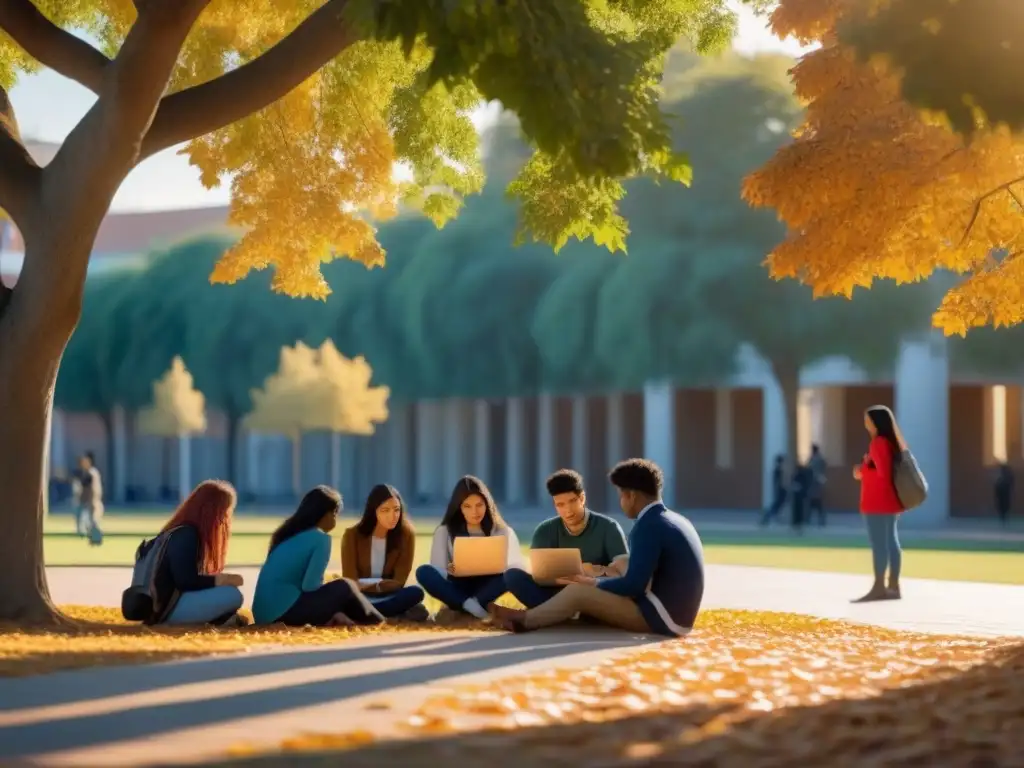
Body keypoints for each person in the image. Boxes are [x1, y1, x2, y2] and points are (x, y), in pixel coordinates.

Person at [490, 459, 705, 636]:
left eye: (621, 495)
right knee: (576, 587)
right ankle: (549, 613)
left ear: (631, 496)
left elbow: (634, 586)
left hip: (662, 619)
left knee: (579, 591)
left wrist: (594, 582)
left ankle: (525, 620)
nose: (621, 502)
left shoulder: (646, 526)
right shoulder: (674, 519)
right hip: (679, 618)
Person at [253, 485, 384, 627]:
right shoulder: (320, 538)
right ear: (328, 514)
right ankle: (376, 619)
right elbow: (310, 586)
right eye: (336, 515)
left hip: (263, 616)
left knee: (340, 589)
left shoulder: (288, 535)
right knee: (346, 585)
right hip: (286, 614)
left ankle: (344, 616)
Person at [504, 469, 628, 609]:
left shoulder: (609, 527)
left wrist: (590, 572)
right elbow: (538, 574)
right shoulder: (544, 530)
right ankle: (562, 612)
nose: (568, 511)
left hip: (592, 593)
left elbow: (624, 574)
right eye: (560, 505)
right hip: (554, 593)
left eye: (572, 501)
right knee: (512, 576)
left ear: (582, 498)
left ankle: (554, 613)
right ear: (554, 505)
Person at [415, 475, 524, 620]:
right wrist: (450, 568)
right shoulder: (445, 531)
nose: (475, 512)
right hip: (458, 586)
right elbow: (438, 568)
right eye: (467, 506)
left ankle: (471, 604)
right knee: (423, 572)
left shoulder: (502, 530)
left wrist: (500, 565)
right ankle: (471, 606)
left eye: (479, 505)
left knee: (512, 574)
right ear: (459, 508)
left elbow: (516, 565)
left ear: (487, 504)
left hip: (488, 585)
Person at [151, 479, 248, 626]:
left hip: (160, 608)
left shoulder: (177, 530)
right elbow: (186, 581)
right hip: (165, 611)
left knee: (225, 591)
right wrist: (222, 579)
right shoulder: (186, 535)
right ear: (210, 510)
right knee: (233, 594)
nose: (225, 519)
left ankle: (223, 619)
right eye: (224, 511)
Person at [341, 484, 429, 621]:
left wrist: (371, 585)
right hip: (360, 596)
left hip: (390, 595)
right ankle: (383, 614)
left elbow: (399, 581)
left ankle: (371, 614)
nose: (392, 516)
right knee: (340, 596)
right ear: (373, 511)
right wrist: (381, 584)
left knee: (416, 592)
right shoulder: (352, 535)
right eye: (385, 510)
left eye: (396, 510)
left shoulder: (406, 534)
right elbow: (350, 580)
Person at [852, 405, 905, 602]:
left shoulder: (878, 443)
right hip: (889, 500)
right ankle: (893, 586)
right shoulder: (891, 443)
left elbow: (883, 473)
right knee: (891, 542)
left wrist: (862, 472)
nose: (865, 423)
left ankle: (879, 587)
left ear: (876, 422)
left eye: (867, 419)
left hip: (877, 501)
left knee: (880, 544)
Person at [72, 451, 104, 545]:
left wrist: (91, 501)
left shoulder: (91, 473)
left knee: (92, 522)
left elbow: (90, 488)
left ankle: (96, 540)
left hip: (91, 501)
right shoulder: (91, 472)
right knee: (89, 522)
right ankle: (94, 539)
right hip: (90, 501)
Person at [760, 454, 786, 526]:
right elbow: (779, 482)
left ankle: (768, 517)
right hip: (780, 491)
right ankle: (766, 516)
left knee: (778, 505)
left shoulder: (778, 470)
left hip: (780, 490)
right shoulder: (778, 470)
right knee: (776, 505)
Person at [807, 444, 828, 526]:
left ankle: (811, 519)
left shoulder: (814, 459)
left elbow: (809, 467)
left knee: (815, 502)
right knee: (818, 502)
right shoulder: (820, 458)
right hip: (818, 481)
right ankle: (821, 520)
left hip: (814, 482)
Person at [790, 462, 812, 534]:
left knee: (797, 510)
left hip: (797, 495)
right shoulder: (803, 475)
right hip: (801, 495)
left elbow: (793, 484)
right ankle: (799, 523)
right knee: (800, 510)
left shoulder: (797, 475)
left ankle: (796, 523)